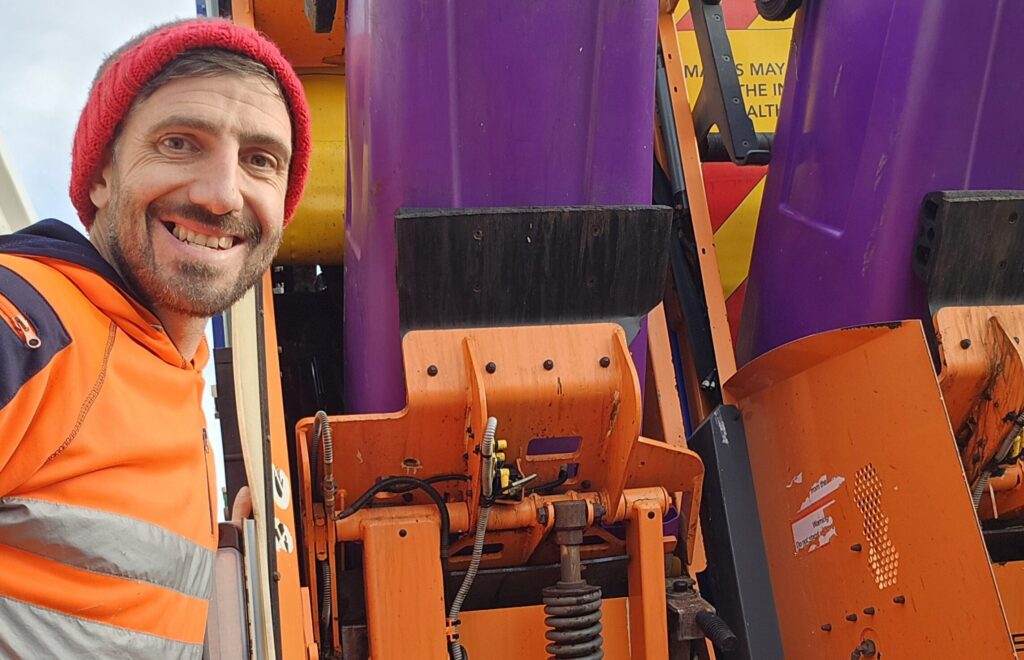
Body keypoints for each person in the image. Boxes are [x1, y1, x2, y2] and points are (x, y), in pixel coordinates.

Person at [0, 18, 310, 658]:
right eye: (179, 143)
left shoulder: (174, 375)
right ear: (99, 178)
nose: (223, 195)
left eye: (260, 161)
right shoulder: (30, 321)